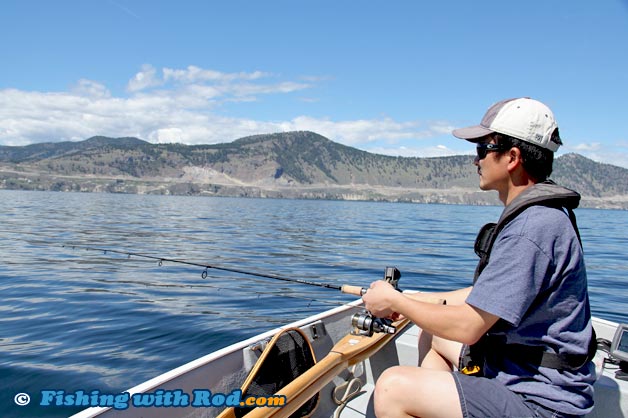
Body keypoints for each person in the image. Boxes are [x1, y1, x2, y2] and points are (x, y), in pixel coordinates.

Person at [362, 98, 596, 418]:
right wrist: (412, 302)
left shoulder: (531, 228)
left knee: (392, 388)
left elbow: (470, 326)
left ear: (512, 157)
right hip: (517, 371)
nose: (476, 161)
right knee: (434, 335)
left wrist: (397, 302)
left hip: (540, 399)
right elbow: (483, 298)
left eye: (482, 149)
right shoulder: (541, 217)